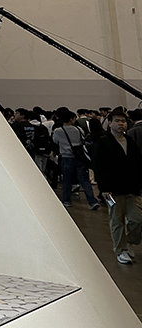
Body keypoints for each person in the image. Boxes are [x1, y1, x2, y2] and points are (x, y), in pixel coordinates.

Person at [92, 108, 142, 264]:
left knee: (137, 220)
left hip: (132, 188)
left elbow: (138, 164)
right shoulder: (103, 142)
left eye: (123, 121)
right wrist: (104, 188)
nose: (121, 124)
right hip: (113, 190)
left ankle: (129, 241)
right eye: (117, 121)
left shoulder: (130, 141)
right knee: (116, 220)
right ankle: (121, 250)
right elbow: (99, 166)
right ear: (110, 123)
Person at [52, 108, 101, 210]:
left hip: (66, 157)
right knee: (84, 180)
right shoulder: (78, 129)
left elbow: (55, 141)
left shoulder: (58, 131)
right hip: (79, 157)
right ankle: (92, 201)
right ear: (71, 119)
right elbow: (82, 140)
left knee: (66, 180)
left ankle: (66, 201)